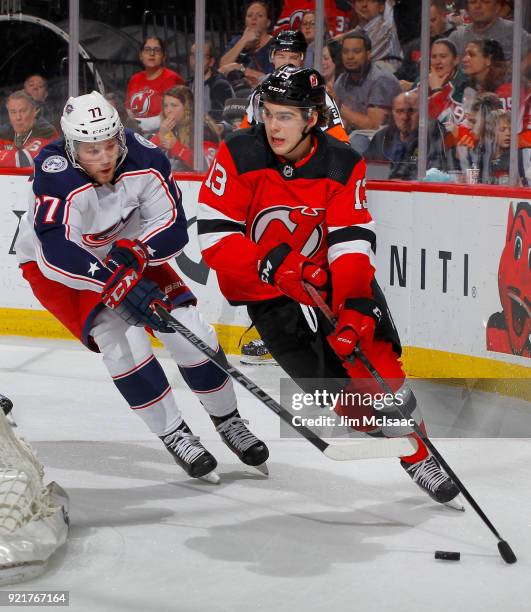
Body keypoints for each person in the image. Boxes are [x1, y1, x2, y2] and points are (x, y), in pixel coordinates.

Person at [197, 65, 460, 506]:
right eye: (269, 113)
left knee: (375, 359)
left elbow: (351, 238)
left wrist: (356, 298)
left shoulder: (342, 162)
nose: (273, 125)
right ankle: (379, 425)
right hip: (265, 288)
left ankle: (419, 453)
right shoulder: (239, 152)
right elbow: (215, 237)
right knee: (334, 396)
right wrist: (274, 266)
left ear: (312, 119)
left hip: (329, 280)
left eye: (285, 116)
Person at [15, 91, 268, 482]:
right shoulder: (54, 169)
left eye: (108, 146)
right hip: (62, 268)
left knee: (190, 329)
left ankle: (229, 420)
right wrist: (111, 281)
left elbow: (172, 227)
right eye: (90, 149)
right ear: (70, 146)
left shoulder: (146, 157)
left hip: (124, 251)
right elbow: (56, 251)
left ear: (120, 135)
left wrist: (136, 256)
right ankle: (175, 433)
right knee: (121, 340)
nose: (102, 157)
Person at [240, 30, 350, 144]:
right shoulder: (259, 93)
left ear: (301, 60)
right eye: (281, 56)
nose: (287, 62)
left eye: (293, 57)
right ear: (272, 58)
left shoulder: (316, 93)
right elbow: (244, 138)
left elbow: (341, 143)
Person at [364, 91, 447, 179]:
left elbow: (438, 173)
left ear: (423, 113)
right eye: (399, 111)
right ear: (392, 113)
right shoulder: (382, 137)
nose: (405, 117)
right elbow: (366, 171)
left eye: (411, 111)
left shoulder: (434, 134)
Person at [334, 32, 402, 134]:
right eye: (345, 52)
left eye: (356, 51)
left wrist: (338, 106)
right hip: (352, 136)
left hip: (381, 141)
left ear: (368, 54)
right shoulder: (341, 80)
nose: (350, 56)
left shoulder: (381, 79)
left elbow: (374, 126)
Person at [150, 85, 221, 171]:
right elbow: (146, 157)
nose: (168, 110)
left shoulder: (203, 130)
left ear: (187, 107)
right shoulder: (170, 128)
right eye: (166, 106)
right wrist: (160, 136)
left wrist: (175, 146)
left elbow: (207, 167)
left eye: (174, 105)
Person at [125, 36, 185, 135]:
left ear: (164, 56)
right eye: (147, 49)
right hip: (135, 135)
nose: (152, 54)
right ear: (141, 55)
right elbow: (129, 110)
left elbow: (174, 115)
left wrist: (138, 125)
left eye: (156, 50)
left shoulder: (172, 79)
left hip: (164, 136)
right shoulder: (135, 79)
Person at [397, 0, 457, 85]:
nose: (428, 25)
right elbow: (401, 73)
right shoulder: (414, 45)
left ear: (444, 16)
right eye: (425, 21)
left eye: (433, 20)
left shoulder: (455, 42)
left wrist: (413, 86)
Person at [448, 0, 531, 62]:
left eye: (485, 1)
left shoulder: (512, 30)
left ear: (497, 7)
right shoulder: (457, 37)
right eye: (473, 2)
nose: (477, 6)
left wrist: (518, 71)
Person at [219, 1, 274, 91]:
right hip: (236, 93)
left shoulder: (274, 45)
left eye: (259, 16)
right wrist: (244, 40)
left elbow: (271, 78)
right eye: (249, 15)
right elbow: (222, 67)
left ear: (268, 22)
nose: (253, 18)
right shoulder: (237, 41)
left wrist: (241, 68)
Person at [0, 91, 58, 168]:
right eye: (13, 112)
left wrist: (6, 154)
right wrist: (18, 154)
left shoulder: (46, 131)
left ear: (35, 111)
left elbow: (25, 160)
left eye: (23, 111)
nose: (18, 117)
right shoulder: (4, 132)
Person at [345, 0, 403, 71]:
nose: (364, 5)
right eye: (359, 0)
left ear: (381, 7)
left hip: (390, 78)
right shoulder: (359, 30)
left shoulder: (385, 26)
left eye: (370, 1)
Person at [188, 40, 234, 122]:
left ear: (211, 62)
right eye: (193, 55)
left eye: (201, 56)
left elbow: (221, 118)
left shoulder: (220, 85)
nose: (196, 60)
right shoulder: (188, 84)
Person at [274, 0, 351, 37]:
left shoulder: (338, 4)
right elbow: (279, 34)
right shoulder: (290, 2)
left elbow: (339, 37)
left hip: (327, 51)